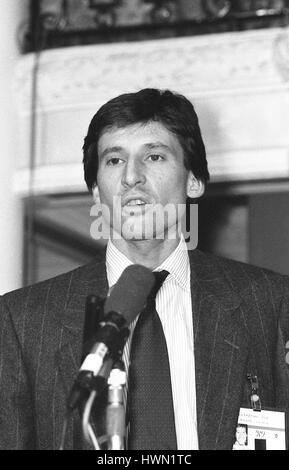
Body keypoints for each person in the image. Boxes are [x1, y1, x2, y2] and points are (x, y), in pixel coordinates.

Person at [0, 88, 288, 450]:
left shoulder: (269, 303)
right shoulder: (23, 321)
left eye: (153, 156)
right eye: (114, 160)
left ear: (194, 181)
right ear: (95, 192)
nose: (131, 176)